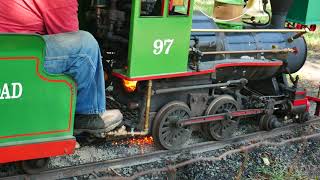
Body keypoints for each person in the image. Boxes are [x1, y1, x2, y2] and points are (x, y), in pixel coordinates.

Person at [0, 0, 123, 135]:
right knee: (86, 45)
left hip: (9, 48)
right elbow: (71, 39)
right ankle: (86, 114)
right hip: (13, 55)